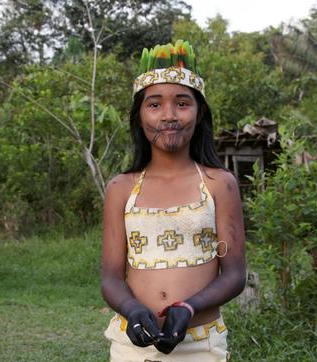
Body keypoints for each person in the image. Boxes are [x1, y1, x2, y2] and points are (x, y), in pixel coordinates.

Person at [101, 39, 246, 361]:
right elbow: (111, 277)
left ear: (200, 114)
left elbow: (235, 274)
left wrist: (188, 308)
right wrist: (131, 308)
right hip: (132, 345)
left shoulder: (219, 184)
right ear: (139, 116)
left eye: (182, 103)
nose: (168, 115)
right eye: (154, 105)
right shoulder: (121, 188)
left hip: (200, 343)